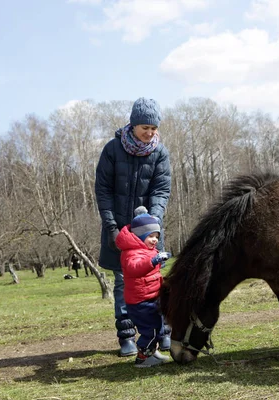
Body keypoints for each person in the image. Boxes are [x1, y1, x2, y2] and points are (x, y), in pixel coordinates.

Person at [95, 97, 171, 357]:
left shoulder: (160, 152)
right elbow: (102, 190)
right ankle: (127, 335)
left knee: (155, 280)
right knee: (121, 282)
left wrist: (154, 220)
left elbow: (161, 190)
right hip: (120, 231)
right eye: (144, 128)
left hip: (149, 231)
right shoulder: (112, 150)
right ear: (133, 124)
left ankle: (163, 333)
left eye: (153, 128)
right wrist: (112, 226)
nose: (149, 133)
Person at [116, 206, 172, 367]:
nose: (155, 240)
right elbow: (135, 267)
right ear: (140, 235)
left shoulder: (148, 250)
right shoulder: (131, 252)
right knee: (151, 330)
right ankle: (143, 358)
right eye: (150, 236)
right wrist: (152, 261)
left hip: (151, 297)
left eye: (156, 236)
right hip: (140, 301)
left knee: (158, 327)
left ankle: (151, 353)